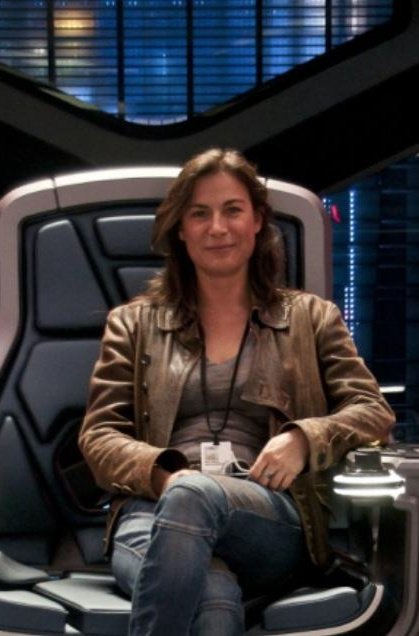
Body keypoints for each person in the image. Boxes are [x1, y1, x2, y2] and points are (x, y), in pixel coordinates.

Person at [79, 148, 395, 636]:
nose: (217, 228)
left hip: (268, 513)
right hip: (151, 510)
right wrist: (164, 475)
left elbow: (373, 411)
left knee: (193, 495)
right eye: (199, 214)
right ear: (180, 229)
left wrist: (304, 438)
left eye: (232, 210)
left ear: (257, 221)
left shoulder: (312, 318)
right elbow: (99, 436)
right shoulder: (133, 324)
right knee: (213, 596)